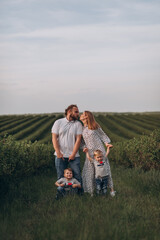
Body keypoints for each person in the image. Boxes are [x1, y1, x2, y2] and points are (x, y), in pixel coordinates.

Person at [80, 111, 116, 197]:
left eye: (83, 114)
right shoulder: (81, 129)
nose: (81, 115)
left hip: (99, 151)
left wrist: (107, 143)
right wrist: (84, 147)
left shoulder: (94, 126)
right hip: (89, 151)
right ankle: (91, 191)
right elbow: (81, 142)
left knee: (105, 169)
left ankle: (111, 190)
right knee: (90, 171)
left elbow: (103, 135)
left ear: (86, 117)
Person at [51, 104, 82, 185]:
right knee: (61, 178)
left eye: (78, 112)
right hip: (60, 155)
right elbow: (54, 138)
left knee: (77, 176)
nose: (78, 114)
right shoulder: (58, 122)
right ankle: (62, 194)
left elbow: (78, 140)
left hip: (74, 156)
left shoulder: (78, 124)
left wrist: (73, 154)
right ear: (69, 112)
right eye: (76, 112)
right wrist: (58, 152)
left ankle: (79, 194)